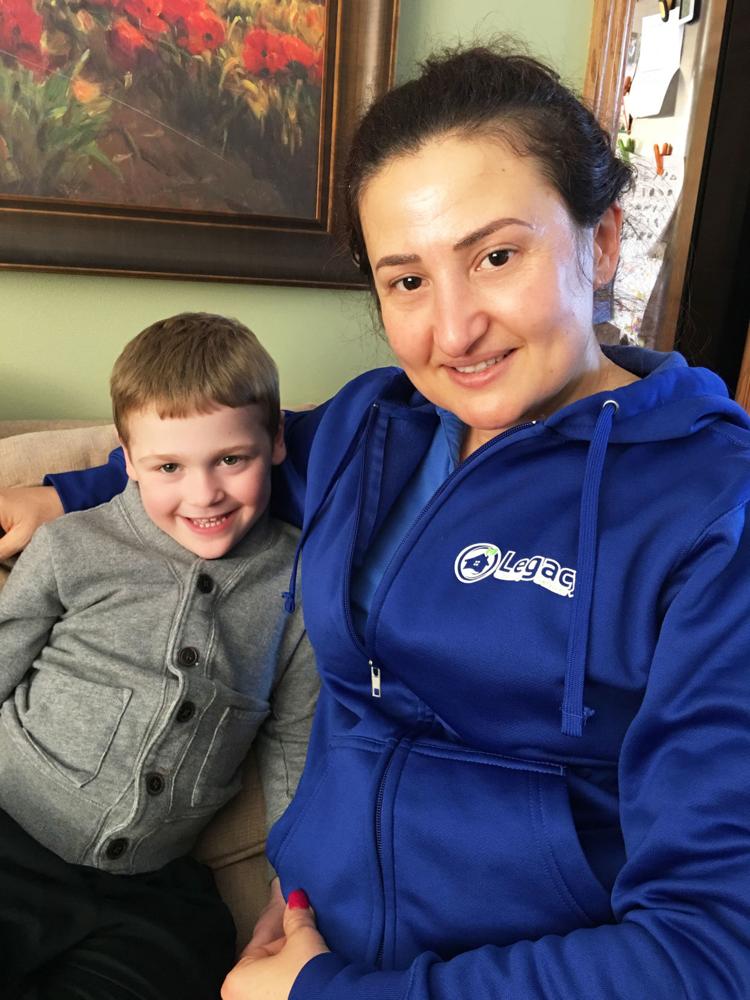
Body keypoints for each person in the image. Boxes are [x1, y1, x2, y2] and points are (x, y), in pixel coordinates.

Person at [3, 44, 750, 999]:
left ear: (600, 241)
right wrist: (61, 495)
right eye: (406, 281)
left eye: (495, 256)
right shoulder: (376, 425)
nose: (453, 331)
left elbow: (707, 954)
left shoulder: (710, 513)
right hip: (308, 941)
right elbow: (224, 456)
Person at [0, 313, 318, 1000]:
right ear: (128, 457)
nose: (203, 494)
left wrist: (288, 887)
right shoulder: (70, 548)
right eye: (168, 467)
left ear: (276, 443)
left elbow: (294, 746)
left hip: (152, 895)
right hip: (11, 837)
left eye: (232, 459)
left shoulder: (299, 582)